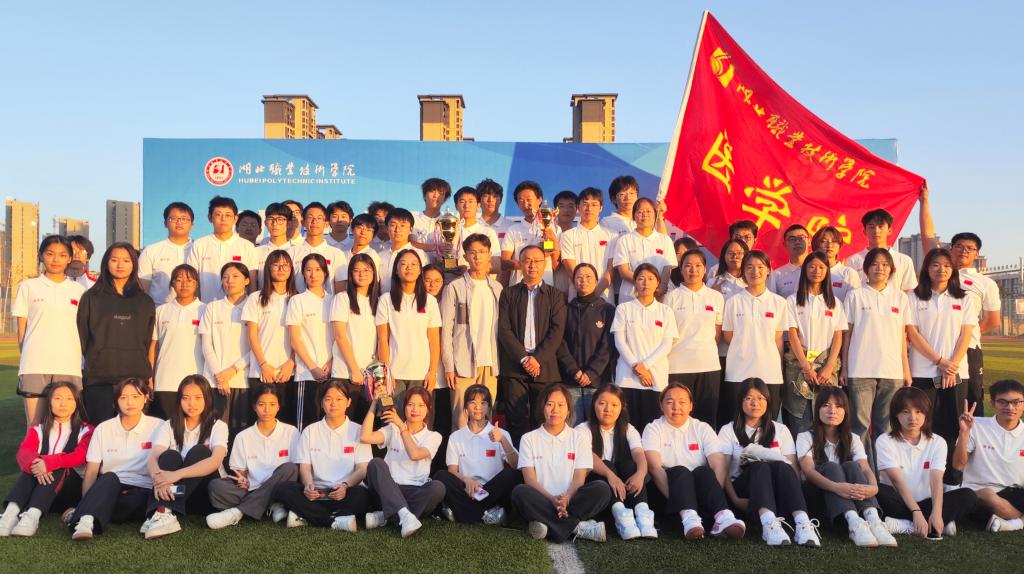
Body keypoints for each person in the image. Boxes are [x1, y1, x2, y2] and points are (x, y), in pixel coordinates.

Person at [919, 188, 1001, 417]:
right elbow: (927, 235)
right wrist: (924, 202)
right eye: (959, 246)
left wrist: (965, 333)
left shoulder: (984, 283)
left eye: (970, 248)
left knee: (970, 402)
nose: (964, 251)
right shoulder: (939, 270)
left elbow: (992, 320)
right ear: (950, 248)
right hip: (933, 347)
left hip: (969, 350)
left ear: (977, 254)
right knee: (930, 405)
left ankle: (969, 440)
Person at [718, 378, 821, 547]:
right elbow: (723, 469)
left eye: (761, 398)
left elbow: (793, 468)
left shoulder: (780, 429)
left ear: (768, 401)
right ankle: (769, 524)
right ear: (740, 401)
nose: (755, 403)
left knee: (783, 465)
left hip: (776, 491)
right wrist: (735, 499)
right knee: (760, 467)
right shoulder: (728, 430)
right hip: (744, 491)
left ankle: (803, 523)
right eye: (749, 398)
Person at [796, 387, 897, 547]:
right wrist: (837, 487)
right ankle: (854, 523)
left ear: (845, 411)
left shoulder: (853, 438)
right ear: (817, 409)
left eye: (838, 406)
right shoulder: (805, 436)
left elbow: (865, 468)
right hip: (820, 496)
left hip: (850, 496)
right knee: (831, 467)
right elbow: (808, 471)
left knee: (851, 466)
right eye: (826, 405)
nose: (832, 411)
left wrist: (873, 487)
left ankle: (873, 520)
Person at [643, 383, 745, 540]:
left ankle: (723, 516)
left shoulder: (702, 428)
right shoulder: (653, 428)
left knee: (703, 471)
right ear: (661, 405)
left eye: (682, 402)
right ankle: (689, 518)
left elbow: (718, 463)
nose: (676, 407)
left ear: (691, 406)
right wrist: (679, 499)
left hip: (699, 491)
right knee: (681, 471)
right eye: (669, 402)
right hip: (668, 491)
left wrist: (709, 498)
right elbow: (654, 467)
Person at [512, 383, 611, 543]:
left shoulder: (579, 438)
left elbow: (579, 478)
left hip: (571, 499)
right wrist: (552, 499)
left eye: (561, 405)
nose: (555, 410)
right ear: (542, 408)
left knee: (602, 489)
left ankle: (547, 523)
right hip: (542, 499)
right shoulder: (529, 438)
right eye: (550, 404)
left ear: (568, 410)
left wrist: (567, 498)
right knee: (520, 492)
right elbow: (529, 479)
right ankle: (576, 527)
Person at [841, 247, 913, 464]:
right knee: (859, 426)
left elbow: (902, 337)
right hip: (860, 369)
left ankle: (884, 473)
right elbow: (847, 334)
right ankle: (863, 473)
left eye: (884, 264)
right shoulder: (855, 295)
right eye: (874, 264)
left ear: (891, 269)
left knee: (886, 427)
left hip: (892, 371)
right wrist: (845, 367)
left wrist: (905, 370)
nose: (879, 268)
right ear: (866, 269)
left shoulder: (900, 298)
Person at [875, 386, 978, 538]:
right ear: (896, 414)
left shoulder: (937, 442)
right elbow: (897, 481)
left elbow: (936, 479)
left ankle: (907, 525)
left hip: (928, 501)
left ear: (926, 414)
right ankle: (932, 523)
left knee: (968, 496)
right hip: (899, 501)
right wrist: (916, 512)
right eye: (906, 412)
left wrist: (936, 513)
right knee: (877, 490)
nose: (913, 417)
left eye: (918, 411)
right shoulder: (885, 440)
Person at [906, 248, 976, 468]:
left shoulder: (964, 298)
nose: (941, 270)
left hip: (955, 373)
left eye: (946, 265)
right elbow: (913, 333)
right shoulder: (913, 297)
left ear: (952, 269)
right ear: (927, 268)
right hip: (922, 371)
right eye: (935, 265)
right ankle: (925, 472)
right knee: (923, 424)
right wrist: (939, 361)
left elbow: (966, 334)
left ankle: (952, 476)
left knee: (954, 425)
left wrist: (951, 366)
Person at [68, 378, 163, 541]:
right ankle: (85, 519)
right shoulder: (103, 429)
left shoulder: (159, 426)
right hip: (110, 488)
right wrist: (87, 501)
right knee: (110, 477)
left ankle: (84, 512)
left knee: (139, 501)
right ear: (116, 401)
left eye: (135, 396)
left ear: (146, 398)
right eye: (123, 397)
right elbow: (91, 471)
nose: (130, 402)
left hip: (143, 489)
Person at [273, 381, 372, 531]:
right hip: (317, 493)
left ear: (348, 402)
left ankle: (306, 515)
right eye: (328, 399)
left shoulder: (359, 431)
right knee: (284, 489)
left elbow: (362, 469)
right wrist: (308, 486)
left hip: (346, 491)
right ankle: (334, 520)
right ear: (321, 403)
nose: (333, 404)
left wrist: (345, 486)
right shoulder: (310, 431)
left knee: (363, 497)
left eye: (339, 399)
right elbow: (305, 468)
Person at [140, 375, 228, 539]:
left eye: (197, 398)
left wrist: (175, 475)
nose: (191, 403)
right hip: (179, 493)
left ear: (207, 398)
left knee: (200, 452)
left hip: (205, 494)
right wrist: (158, 480)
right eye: (186, 398)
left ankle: (162, 510)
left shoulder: (218, 426)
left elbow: (215, 461)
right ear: (179, 400)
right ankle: (163, 512)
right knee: (169, 455)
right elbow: (153, 458)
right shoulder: (169, 425)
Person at [0, 382, 93, 537]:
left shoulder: (86, 430)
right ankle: (10, 514)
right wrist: (38, 464)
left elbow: (80, 456)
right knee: (32, 465)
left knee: (57, 466)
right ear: (49, 402)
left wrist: (48, 463)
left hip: (70, 493)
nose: (63, 404)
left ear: (76, 402)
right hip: (42, 492)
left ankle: (32, 516)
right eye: (57, 398)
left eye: (69, 399)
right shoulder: (39, 429)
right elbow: (23, 453)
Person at [77, 242, 156, 424]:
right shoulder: (91, 298)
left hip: (135, 379)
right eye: (114, 260)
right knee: (100, 432)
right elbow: (83, 338)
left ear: (134, 264)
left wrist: (148, 377)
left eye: (126, 260)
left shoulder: (144, 301)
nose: (120, 265)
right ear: (106, 263)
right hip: (99, 380)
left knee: (134, 434)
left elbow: (146, 341)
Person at [496, 245, 567, 445]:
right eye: (527, 260)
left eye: (537, 261)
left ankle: (541, 459)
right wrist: (524, 358)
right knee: (515, 419)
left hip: (545, 366)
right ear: (520, 264)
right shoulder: (508, 294)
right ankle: (518, 459)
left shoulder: (555, 295)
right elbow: (504, 329)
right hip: (515, 365)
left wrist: (537, 359)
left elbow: (557, 331)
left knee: (542, 419)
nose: (532, 265)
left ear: (544, 264)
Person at [14, 235, 85, 425]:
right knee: (35, 426)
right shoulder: (28, 287)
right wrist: (27, 358)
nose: (55, 259)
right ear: (41, 255)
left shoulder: (78, 290)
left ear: (69, 259)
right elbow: (21, 330)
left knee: (65, 426)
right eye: (50, 254)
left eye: (62, 255)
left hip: (69, 365)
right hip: (35, 365)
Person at [206, 385, 300, 529]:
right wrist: (242, 480)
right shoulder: (243, 437)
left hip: (281, 489)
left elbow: (295, 470)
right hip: (252, 489)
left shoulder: (291, 432)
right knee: (216, 487)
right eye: (261, 404)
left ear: (278, 407)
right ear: (254, 407)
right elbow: (241, 473)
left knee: (290, 468)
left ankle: (237, 512)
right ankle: (271, 505)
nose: (267, 410)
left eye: (272, 404)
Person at [361, 386, 445, 538]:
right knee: (376, 463)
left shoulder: (433, 436)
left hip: (415, 491)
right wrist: (374, 403)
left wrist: (402, 426)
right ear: (404, 407)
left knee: (438, 487)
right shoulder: (392, 429)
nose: (415, 409)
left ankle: (385, 516)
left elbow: (415, 454)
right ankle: (404, 515)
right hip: (388, 490)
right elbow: (365, 437)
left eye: (421, 405)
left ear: (428, 409)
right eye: (410, 404)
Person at [433, 384, 521, 525]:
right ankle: (487, 514)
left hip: (491, 490)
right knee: (441, 475)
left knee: (513, 475)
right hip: (466, 489)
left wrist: (503, 440)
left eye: (483, 403)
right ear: (466, 407)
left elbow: (516, 465)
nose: (478, 407)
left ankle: (463, 513)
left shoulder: (501, 434)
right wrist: (466, 480)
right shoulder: (456, 436)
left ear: (489, 407)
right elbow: (452, 471)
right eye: (473, 402)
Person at [440, 234, 502, 430]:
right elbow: (446, 329)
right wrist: (449, 366)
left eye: (482, 252)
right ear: (465, 256)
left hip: (490, 364)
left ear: (489, 255)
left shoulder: (497, 288)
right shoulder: (454, 287)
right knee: (461, 419)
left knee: (486, 418)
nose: (477, 256)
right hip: (462, 363)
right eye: (472, 252)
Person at [782, 252, 847, 436]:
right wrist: (806, 367)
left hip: (826, 368)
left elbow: (838, 336)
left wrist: (829, 366)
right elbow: (792, 335)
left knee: (826, 415)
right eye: (811, 267)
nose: (816, 271)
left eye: (821, 267)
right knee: (800, 417)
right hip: (799, 366)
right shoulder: (793, 300)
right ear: (805, 270)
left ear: (827, 271)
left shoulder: (834, 303)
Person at [578, 385, 655, 540]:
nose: (608, 409)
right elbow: (588, 456)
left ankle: (643, 514)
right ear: (594, 404)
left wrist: (640, 474)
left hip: (624, 485)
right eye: (602, 403)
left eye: (614, 405)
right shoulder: (582, 429)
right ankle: (622, 516)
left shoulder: (628, 429)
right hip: (599, 486)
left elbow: (639, 453)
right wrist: (610, 475)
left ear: (622, 408)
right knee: (606, 464)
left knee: (630, 465)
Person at [721, 251, 788, 423]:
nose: (755, 271)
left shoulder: (779, 303)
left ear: (768, 270)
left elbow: (778, 339)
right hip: (738, 372)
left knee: (768, 423)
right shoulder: (733, 302)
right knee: (737, 422)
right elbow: (728, 336)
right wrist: (745, 348)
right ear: (743, 271)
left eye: (760, 267)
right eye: (749, 267)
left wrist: (779, 367)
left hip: (769, 373)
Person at [611, 263, 678, 430]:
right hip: (627, 377)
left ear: (658, 283)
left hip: (655, 378)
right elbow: (620, 342)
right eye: (641, 278)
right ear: (635, 282)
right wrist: (637, 367)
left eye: (650, 279)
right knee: (627, 427)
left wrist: (645, 366)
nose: (645, 283)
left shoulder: (665, 311)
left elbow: (667, 344)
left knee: (653, 427)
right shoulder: (623, 309)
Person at [953, 379, 1024, 532]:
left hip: (1015, 491)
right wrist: (964, 433)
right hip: (980, 494)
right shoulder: (976, 425)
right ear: (992, 404)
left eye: (1017, 402)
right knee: (987, 496)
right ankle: (1017, 522)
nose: (1010, 407)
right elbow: (958, 465)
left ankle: (1011, 522)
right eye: (1003, 402)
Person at [665, 249, 725, 428]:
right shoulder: (671, 297)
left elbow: (717, 334)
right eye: (688, 266)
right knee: (678, 417)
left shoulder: (716, 297)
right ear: (681, 269)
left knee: (707, 419)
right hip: (678, 366)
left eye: (698, 266)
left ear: (705, 269)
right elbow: (668, 335)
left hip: (708, 366)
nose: (693, 270)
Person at [376, 250, 441, 409]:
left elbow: (434, 340)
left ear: (420, 271)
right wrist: (386, 373)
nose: (409, 268)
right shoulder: (386, 300)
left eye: (414, 264)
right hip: (394, 374)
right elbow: (383, 339)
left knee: (418, 419)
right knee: (392, 418)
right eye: (403, 264)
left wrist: (432, 372)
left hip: (421, 373)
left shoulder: (430, 301)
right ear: (396, 270)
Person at [242, 250, 297, 424]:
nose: (281, 269)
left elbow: (301, 337)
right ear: (268, 268)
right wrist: (264, 365)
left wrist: (292, 362)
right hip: (261, 372)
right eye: (276, 265)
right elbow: (252, 335)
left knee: (286, 424)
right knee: (260, 422)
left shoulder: (297, 298)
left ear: (291, 269)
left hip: (289, 372)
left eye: (285, 265)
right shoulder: (256, 298)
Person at [557, 263, 615, 424]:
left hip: (597, 382)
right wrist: (574, 371)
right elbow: (560, 343)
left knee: (596, 426)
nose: (584, 280)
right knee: (572, 427)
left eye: (589, 276)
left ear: (596, 280)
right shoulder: (565, 309)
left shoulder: (607, 310)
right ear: (573, 281)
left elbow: (608, 346)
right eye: (579, 277)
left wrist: (591, 373)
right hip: (571, 380)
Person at [199, 262, 252, 438]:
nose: (230, 281)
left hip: (243, 380)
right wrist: (219, 376)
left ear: (247, 280)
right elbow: (207, 345)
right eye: (225, 277)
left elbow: (258, 345)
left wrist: (234, 369)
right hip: (215, 382)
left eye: (235, 276)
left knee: (240, 432)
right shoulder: (212, 307)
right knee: (214, 433)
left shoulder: (254, 306)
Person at [149, 264, 205, 419]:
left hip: (196, 381)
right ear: (172, 284)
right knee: (165, 427)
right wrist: (150, 376)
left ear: (197, 284)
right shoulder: (161, 311)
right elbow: (154, 346)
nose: (184, 284)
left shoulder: (205, 310)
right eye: (179, 280)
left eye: (189, 280)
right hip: (165, 381)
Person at [330, 253, 380, 424]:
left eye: (366, 270)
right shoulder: (342, 298)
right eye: (357, 270)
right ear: (350, 274)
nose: (362, 274)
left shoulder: (377, 301)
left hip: (370, 376)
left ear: (373, 273)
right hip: (347, 373)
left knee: (366, 425)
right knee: (344, 424)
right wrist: (354, 369)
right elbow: (340, 335)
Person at [287, 254, 335, 430]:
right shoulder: (297, 300)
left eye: (318, 270)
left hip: (331, 373)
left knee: (329, 426)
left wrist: (331, 362)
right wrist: (313, 367)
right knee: (306, 427)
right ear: (303, 274)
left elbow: (339, 336)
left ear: (325, 273)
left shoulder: (334, 301)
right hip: (307, 374)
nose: (313, 274)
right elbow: (295, 339)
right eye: (308, 270)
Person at [187, 196, 258, 302]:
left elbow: (252, 281)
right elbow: (192, 279)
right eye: (218, 214)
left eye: (228, 215)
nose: (223, 219)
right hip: (205, 306)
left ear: (235, 219)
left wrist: (251, 306)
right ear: (210, 217)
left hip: (240, 307)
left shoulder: (247, 246)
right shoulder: (199, 244)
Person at [612, 197, 675, 303]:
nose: (644, 215)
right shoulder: (624, 240)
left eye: (648, 211)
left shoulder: (665, 240)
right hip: (630, 296)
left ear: (655, 215)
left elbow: (667, 267)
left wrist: (659, 285)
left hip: (658, 295)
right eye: (640, 212)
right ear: (633, 216)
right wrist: (646, 284)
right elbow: (623, 271)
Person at [558, 187, 615, 301]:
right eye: (585, 204)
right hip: (577, 298)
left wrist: (594, 295)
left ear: (601, 208)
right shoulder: (567, 235)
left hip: (605, 298)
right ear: (578, 207)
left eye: (594, 204)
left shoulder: (612, 236)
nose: (589, 208)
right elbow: (571, 269)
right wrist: (585, 294)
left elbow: (611, 269)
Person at [501, 180, 561, 287]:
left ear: (539, 200)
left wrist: (551, 240)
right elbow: (504, 263)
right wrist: (528, 263)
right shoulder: (513, 230)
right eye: (521, 200)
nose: (525, 204)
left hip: (545, 287)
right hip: (518, 288)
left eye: (529, 200)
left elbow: (556, 265)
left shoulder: (554, 228)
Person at [844, 209, 917, 292]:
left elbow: (909, 291)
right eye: (871, 227)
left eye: (881, 226)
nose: (876, 231)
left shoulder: (904, 260)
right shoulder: (853, 260)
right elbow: (849, 290)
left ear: (889, 230)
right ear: (864, 231)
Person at [139, 202, 194, 304]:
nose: (179, 222)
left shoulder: (199, 249)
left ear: (192, 225)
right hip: (159, 309)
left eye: (184, 219)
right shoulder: (151, 251)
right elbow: (143, 288)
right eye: (174, 218)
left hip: (195, 310)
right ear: (165, 223)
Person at [288, 202, 347, 295]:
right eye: (310, 217)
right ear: (303, 222)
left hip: (328, 303)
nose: (314, 221)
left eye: (319, 218)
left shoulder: (337, 254)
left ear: (326, 223)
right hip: (297, 303)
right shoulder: (291, 252)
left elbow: (341, 291)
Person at [447, 186, 501, 273]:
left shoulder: (488, 232)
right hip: (452, 279)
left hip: (478, 280)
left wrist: (468, 270)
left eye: (471, 201)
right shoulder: (449, 232)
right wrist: (455, 268)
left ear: (478, 205)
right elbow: (446, 260)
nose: (466, 206)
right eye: (462, 202)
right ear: (456, 206)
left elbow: (496, 266)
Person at [378, 208, 428, 294]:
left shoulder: (420, 255)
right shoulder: (379, 256)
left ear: (411, 229)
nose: (397, 230)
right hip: (383, 301)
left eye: (402, 225)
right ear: (387, 228)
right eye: (393, 225)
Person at [810, 225, 860, 302]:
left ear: (840, 245)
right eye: (824, 241)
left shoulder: (848, 273)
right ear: (816, 245)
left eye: (834, 241)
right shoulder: (808, 272)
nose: (829, 245)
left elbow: (855, 303)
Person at [254, 203, 295, 289]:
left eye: (280, 219)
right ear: (265, 223)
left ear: (289, 224)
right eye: (271, 219)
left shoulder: (299, 251)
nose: (274, 223)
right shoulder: (256, 252)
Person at [770, 224, 810, 300]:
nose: (797, 242)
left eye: (801, 238)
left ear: (809, 241)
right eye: (792, 239)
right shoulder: (776, 275)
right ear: (785, 244)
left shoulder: (820, 270)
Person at [412, 177, 452, 248]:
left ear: (445, 199)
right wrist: (437, 248)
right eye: (432, 191)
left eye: (441, 193)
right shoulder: (413, 217)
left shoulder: (449, 220)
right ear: (424, 196)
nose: (436, 196)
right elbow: (411, 243)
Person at [340, 213, 383, 279]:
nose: (363, 232)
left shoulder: (372, 256)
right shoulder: (342, 253)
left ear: (373, 235)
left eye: (369, 230)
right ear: (352, 229)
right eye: (359, 228)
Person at [478, 178, 513, 243]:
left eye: (495, 196)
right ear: (479, 200)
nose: (490, 200)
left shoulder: (511, 227)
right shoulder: (473, 226)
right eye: (485, 196)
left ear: (501, 200)